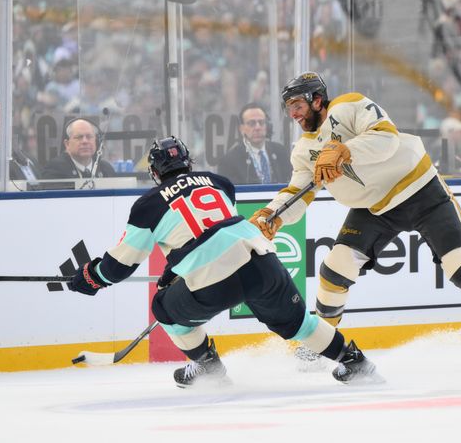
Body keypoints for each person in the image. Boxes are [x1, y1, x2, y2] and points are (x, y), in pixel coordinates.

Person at [249, 72, 461, 364]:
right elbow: (298, 190)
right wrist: (271, 215)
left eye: (297, 105)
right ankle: (321, 342)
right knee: (334, 270)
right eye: (289, 109)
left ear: (316, 99)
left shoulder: (349, 105)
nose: (294, 114)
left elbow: (386, 138)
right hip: (375, 209)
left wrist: (344, 150)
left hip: (421, 190)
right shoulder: (303, 151)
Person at [67, 136, 380, 387]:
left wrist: (89, 279)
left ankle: (208, 365)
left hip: (212, 278)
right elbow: (209, 227)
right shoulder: (219, 182)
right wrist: (172, 270)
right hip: (261, 261)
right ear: (188, 163)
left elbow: (119, 266)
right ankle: (354, 360)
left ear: (154, 174)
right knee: (299, 323)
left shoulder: (147, 206)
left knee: (164, 308)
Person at [217, 103, 292, 184]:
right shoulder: (230, 161)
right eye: (251, 123)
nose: (257, 127)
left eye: (261, 122)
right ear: (242, 129)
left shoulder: (280, 151)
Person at [41, 118, 116, 179]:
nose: (85, 141)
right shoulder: (55, 169)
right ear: (67, 144)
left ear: (95, 141)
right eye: (79, 137)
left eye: (89, 137)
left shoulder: (106, 169)